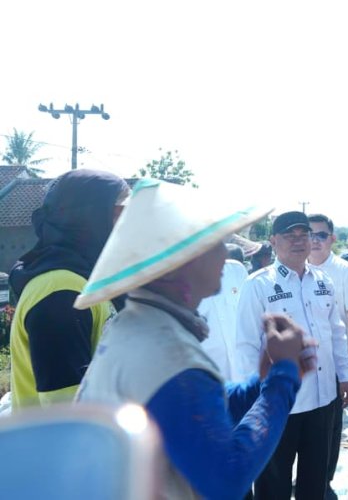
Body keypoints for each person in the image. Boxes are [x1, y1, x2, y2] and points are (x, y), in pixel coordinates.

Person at [74, 179, 306, 499]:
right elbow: (226, 480)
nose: (225, 253)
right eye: (213, 244)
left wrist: (261, 382)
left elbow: (199, 408)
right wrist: (283, 377)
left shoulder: (136, 327)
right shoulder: (169, 355)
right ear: (175, 266)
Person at [236, 211, 348, 500]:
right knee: (273, 484)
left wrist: (346, 376)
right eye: (290, 235)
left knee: (315, 481)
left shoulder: (323, 281)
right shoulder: (258, 285)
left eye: (305, 235)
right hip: (279, 404)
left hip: (322, 399)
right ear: (274, 241)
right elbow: (246, 346)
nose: (299, 241)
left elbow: (336, 332)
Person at [9, 169, 129, 410]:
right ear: (90, 220)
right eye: (120, 216)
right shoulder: (61, 293)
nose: (129, 228)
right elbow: (68, 415)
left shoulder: (85, 280)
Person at [307, 213, 348, 500]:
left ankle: (324, 481)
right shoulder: (294, 270)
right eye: (309, 234)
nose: (315, 240)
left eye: (321, 235)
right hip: (302, 367)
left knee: (330, 427)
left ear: (332, 238)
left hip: (334, 363)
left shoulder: (344, 271)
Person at [197, 243, 250, 381]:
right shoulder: (180, 283)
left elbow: (251, 318)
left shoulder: (236, 270)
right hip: (209, 380)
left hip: (244, 378)